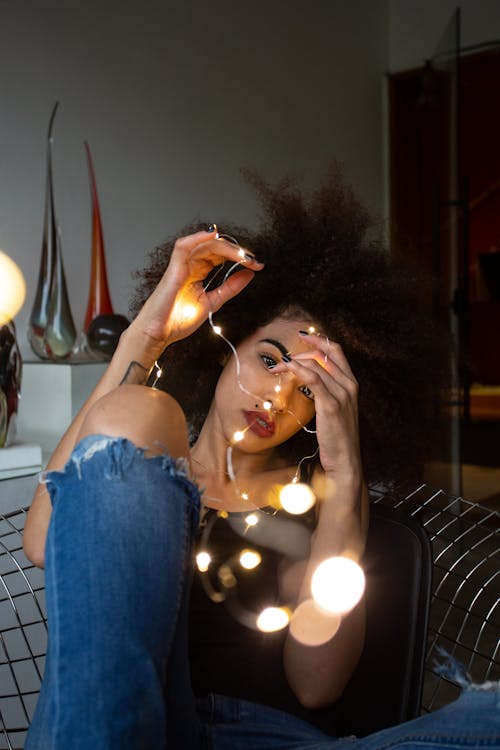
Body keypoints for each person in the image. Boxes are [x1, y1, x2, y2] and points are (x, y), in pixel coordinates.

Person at [23, 167, 498, 749]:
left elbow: (317, 684)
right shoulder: (140, 459)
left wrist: (346, 477)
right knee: (139, 411)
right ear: (226, 348)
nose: (278, 394)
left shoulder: (323, 505)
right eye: (270, 359)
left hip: (272, 739)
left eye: (309, 388)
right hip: (136, 725)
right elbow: (45, 540)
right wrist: (146, 339)